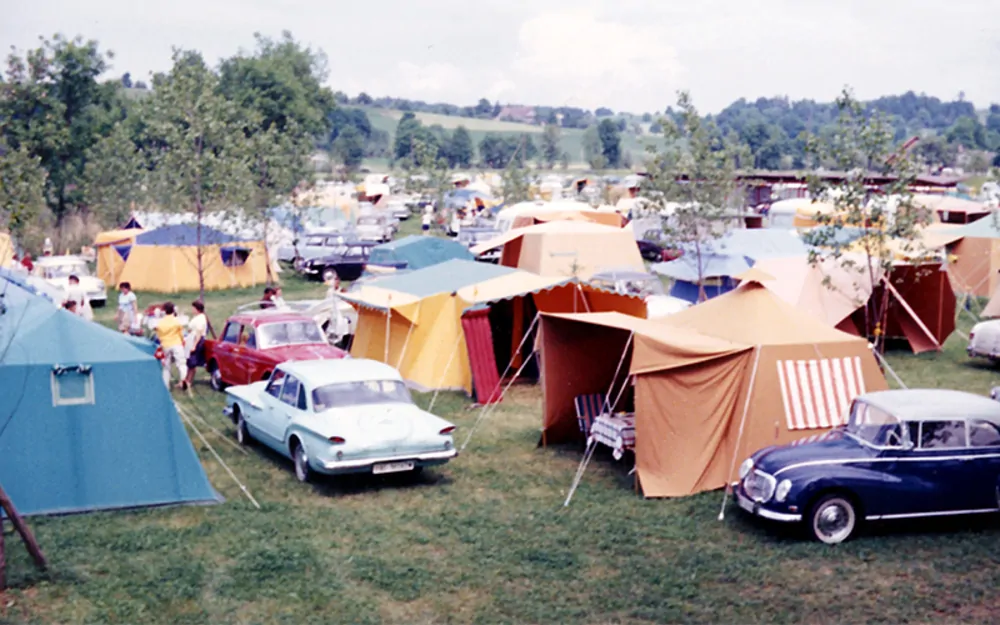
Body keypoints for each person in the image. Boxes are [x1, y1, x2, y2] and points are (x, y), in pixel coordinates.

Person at [155, 302, 188, 390]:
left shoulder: (161, 323)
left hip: (166, 345)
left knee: (166, 366)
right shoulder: (176, 321)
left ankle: (166, 385)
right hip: (176, 343)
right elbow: (180, 333)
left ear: (165, 311)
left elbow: (159, 335)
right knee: (181, 363)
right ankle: (183, 378)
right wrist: (182, 341)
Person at [183, 300, 208, 388]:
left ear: (197, 309)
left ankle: (189, 381)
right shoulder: (196, 317)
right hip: (191, 338)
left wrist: (194, 345)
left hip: (196, 340)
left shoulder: (201, 318)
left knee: (192, 362)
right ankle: (185, 380)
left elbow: (199, 333)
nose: (192, 309)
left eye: (193, 308)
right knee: (188, 361)